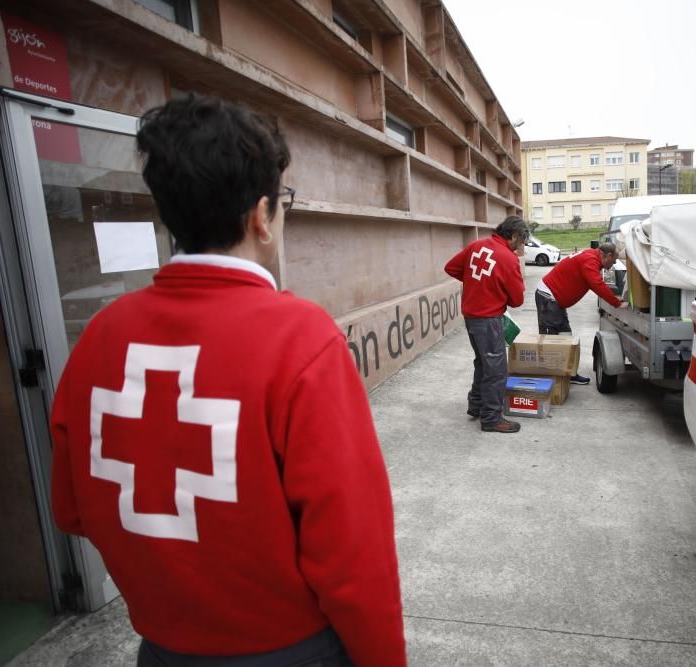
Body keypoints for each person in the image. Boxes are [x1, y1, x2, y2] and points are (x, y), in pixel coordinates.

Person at [49, 94, 405, 667]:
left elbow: (71, 509)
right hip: (291, 652)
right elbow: (353, 554)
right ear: (261, 215)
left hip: (162, 649)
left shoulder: (101, 335)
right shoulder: (300, 339)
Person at [444, 216, 529, 433]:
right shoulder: (508, 258)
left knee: (483, 363)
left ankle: (476, 406)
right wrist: (491, 287)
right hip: (489, 319)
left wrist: (478, 283)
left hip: (471, 317)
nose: (521, 247)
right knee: (496, 370)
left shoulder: (476, 245)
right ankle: (491, 418)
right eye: (521, 242)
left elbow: (451, 268)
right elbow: (517, 300)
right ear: (513, 236)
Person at [535, 242, 624, 384]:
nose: (612, 265)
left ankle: (568, 374)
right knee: (551, 341)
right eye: (613, 261)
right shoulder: (590, 261)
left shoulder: (591, 256)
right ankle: (551, 381)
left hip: (555, 300)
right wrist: (617, 303)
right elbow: (597, 284)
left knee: (566, 336)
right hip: (549, 297)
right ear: (607, 255)